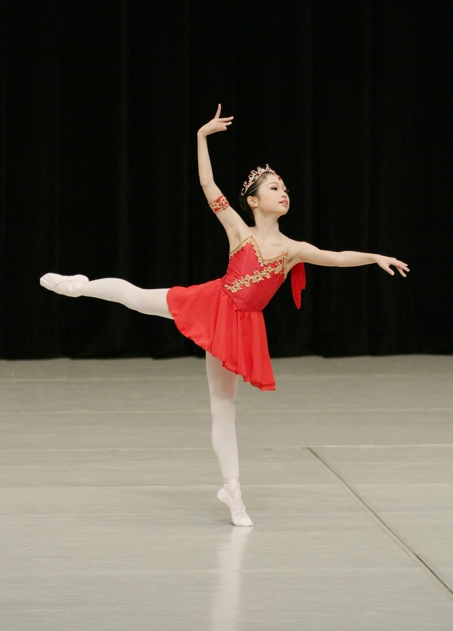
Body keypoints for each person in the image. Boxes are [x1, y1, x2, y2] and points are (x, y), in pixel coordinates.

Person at [40, 105, 409, 527]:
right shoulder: (239, 230)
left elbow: (337, 257)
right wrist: (202, 137)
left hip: (241, 327)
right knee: (138, 298)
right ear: (253, 201)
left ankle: (232, 489)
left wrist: (374, 256)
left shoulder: (293, 250)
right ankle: (81, 285)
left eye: (285, 187)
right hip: (212, 302)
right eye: (274, 187)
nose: (283, 192)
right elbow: (207, 183)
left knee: (223, 408)